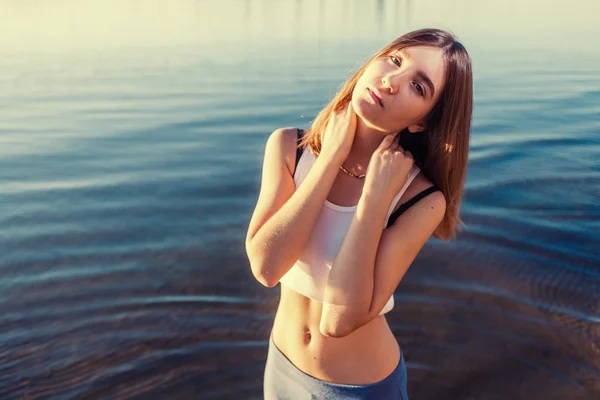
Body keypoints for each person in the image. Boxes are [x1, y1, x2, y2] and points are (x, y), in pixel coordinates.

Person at [245, 28, 473, 400]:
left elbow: (339, 320)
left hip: (360, 388)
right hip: (281, 367)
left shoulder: (421, 200)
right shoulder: (290, 147)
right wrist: (330, 158)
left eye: (418, 87)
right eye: (395, 60)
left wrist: (375, 198)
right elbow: (267, 268)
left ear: (423, 122)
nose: (391, 81)